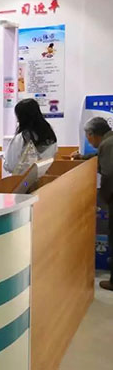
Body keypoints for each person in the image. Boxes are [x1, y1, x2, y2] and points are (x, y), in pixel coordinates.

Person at [73, 117, 113, 290]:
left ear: (92, 134)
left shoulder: (108, 144)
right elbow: (99, 158)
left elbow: (109, 174)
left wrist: (104, 197)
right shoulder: (109, 142)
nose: (88, 141)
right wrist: (82, 158)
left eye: (88, 137)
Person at [4, 99, 57, 174]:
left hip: (24, 179)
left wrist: (5, 160)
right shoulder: (49, 135)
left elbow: (10, 165)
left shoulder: (21, 138)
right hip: (45, 177)